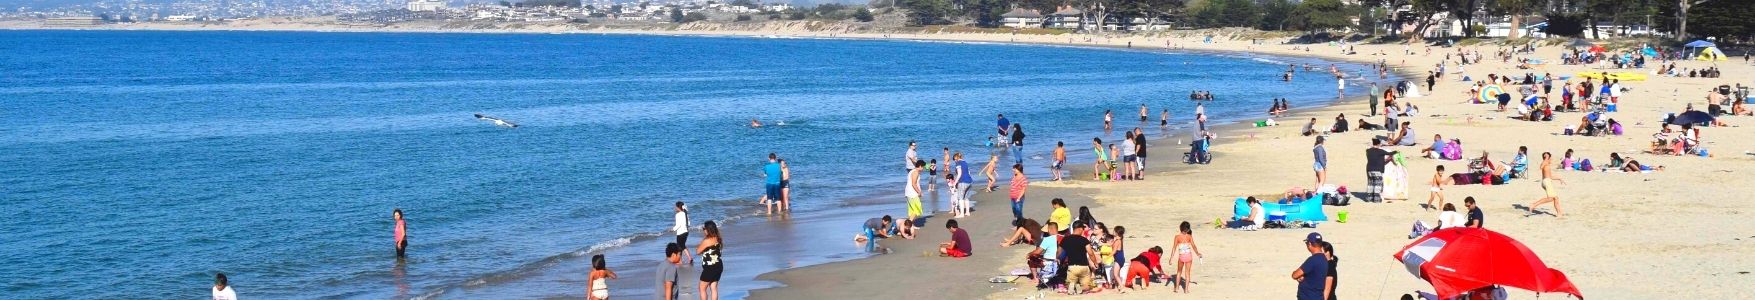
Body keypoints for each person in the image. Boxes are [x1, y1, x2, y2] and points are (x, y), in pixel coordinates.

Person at [1061, 221, 1100, 294]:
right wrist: (1095, 263)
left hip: (1072, 267)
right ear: (1079, 229)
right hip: (1084, 267)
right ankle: (1080, 288)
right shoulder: (1084, 240)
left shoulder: (1065, 239)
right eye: (1082, 228)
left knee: (1069, 284)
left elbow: (1059, 252)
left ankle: (1073, 287)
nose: (1083, 230)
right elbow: (1090, 253)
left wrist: (1058, 260)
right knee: (1087, 287)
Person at [1527, 152, 1567, 217]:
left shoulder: (1547, 165)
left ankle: (1559, 213)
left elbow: (1550, 176)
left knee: (1555, 198)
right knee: (1551, 198)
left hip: (1547, 181)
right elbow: (1541, 167)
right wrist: (1546, 158)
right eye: (1550, 158)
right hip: (1547, 182)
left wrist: (1559, 178)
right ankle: (1533, 205)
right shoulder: (1545, 163)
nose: (1551, 159)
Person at [1292, 233, 1330, 300]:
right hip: (1318, 296)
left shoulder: (1313, 260)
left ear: (1309, 244)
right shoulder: (1324, 259)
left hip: (1309, 296)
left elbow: (1294, 275)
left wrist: (1299, 275)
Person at [1171, 221, 1204, 293]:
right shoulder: (1189, 236)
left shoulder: (1177, 237)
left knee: (1179, 272)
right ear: (1188, 229)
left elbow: (1174, 248)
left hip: (1182, 256)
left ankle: (1176, 288)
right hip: (1189, 256)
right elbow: (1193, 246)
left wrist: (1171, 258)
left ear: (1180, 228)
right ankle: (1186, 289)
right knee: (1187, 273)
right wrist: (1197, 253)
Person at [696, 221, 724, 300]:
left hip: (710, 267)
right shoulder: (718, 238)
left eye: (704, 228)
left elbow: (698, 251)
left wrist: (700, 245)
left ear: (708, 230)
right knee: (713, 287)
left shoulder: (707, 241)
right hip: (718, 265)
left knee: (701, 288)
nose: (703, 230)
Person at [953, 152, 973, 218]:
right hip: (970, 181)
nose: (954, 161)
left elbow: (959, 174)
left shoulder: (958, 163)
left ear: (956, 158)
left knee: (960, 198)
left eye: (954, 159)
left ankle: (961, 214)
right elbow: (969, 172)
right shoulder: (965, 162)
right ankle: (967, 212)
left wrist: (955, 183)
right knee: (966, 198)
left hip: (963, 181)